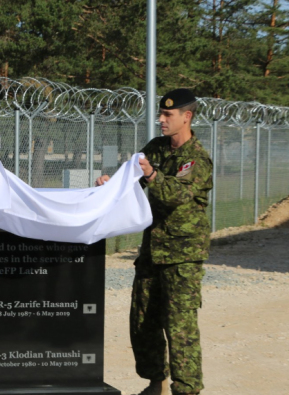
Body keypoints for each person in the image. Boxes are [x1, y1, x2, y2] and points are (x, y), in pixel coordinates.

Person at [95, 88, 213, 395]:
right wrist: (110, 185)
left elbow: (177, 195)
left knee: (179, 326)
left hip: (182, 255)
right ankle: (155, 382)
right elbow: (130, 177)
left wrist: (152, 175)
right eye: (160, 114)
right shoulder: (157, 148)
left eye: (168, 115)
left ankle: (186, 390)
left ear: (186, 117)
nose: (161, 120)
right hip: (152, 250)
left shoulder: (198, 159)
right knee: (143, 320)